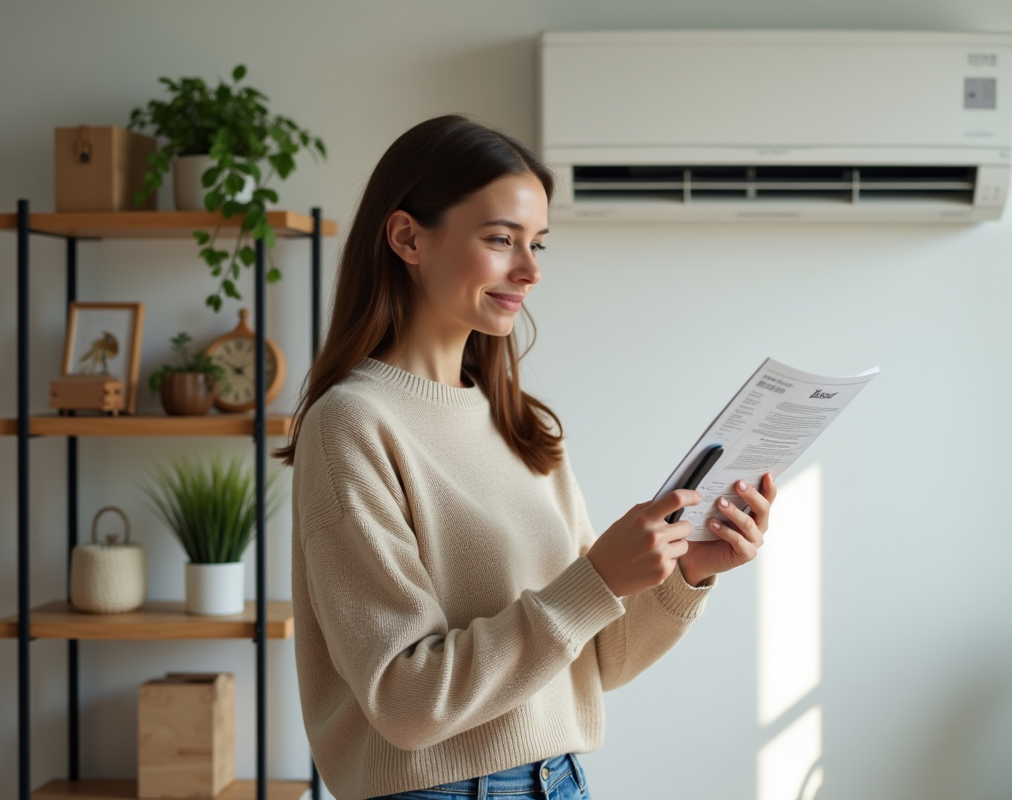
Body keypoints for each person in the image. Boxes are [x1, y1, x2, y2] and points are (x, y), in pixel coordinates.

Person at [274, 115, 777, 800]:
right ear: (407, 237)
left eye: (537, 243)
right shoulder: (353, 423)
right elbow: (404, 699)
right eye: (500, 239)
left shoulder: (522, 426)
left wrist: (687, 571)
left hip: (559, 780)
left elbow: (596, 661)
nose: (531, 270)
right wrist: (594, 580)